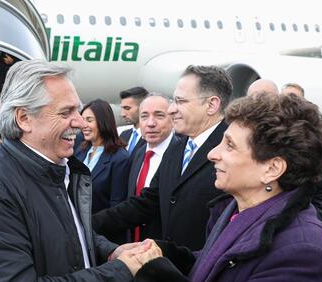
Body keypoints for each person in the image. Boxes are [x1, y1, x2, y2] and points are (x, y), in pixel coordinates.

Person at [0, 60, 161, 282]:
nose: (80, 121)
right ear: (24, 118)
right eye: (66, 112)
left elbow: (65, 235)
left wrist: (110, 253)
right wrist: (120, 272)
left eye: (78, 109)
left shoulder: (60, 170)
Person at [133, 94, 322, 282]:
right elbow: (216, 271)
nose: (212, 154)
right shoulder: (236, 211)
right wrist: (162, 254)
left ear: (272, 168)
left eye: (229, 145)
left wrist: (157, 277)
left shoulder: (302, 254)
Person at [93, 65, 232, 252]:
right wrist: (87, 224)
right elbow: (148, 202)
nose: (172, 109)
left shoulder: (232, 150)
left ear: (211, 105)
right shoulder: (177, 148)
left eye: (180, 101)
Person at [281, 83, 322, 225]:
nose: (288, 102)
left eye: (293, 97)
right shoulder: (270, 134)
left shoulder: (318, 136)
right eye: (284, 97)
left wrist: (314, 222)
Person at [127, 93, 180, 242]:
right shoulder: (138, 154)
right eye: (144, 116)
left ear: (172, 118)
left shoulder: (180, 156)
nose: (150, 123)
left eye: (159, 116)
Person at [76, 99, 130, 243]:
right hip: (78, 231)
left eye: (89, 120)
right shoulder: (80, 152)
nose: (83, 125)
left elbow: (116, 207)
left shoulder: (120, 158)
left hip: (102, 236)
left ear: (103, 122)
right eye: (82, 120)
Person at [119, 87, 148, 157]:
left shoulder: (152, 137)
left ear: (143, 107)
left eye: (127, 108)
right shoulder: (123, 135)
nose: (122, 114)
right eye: (122, 108)